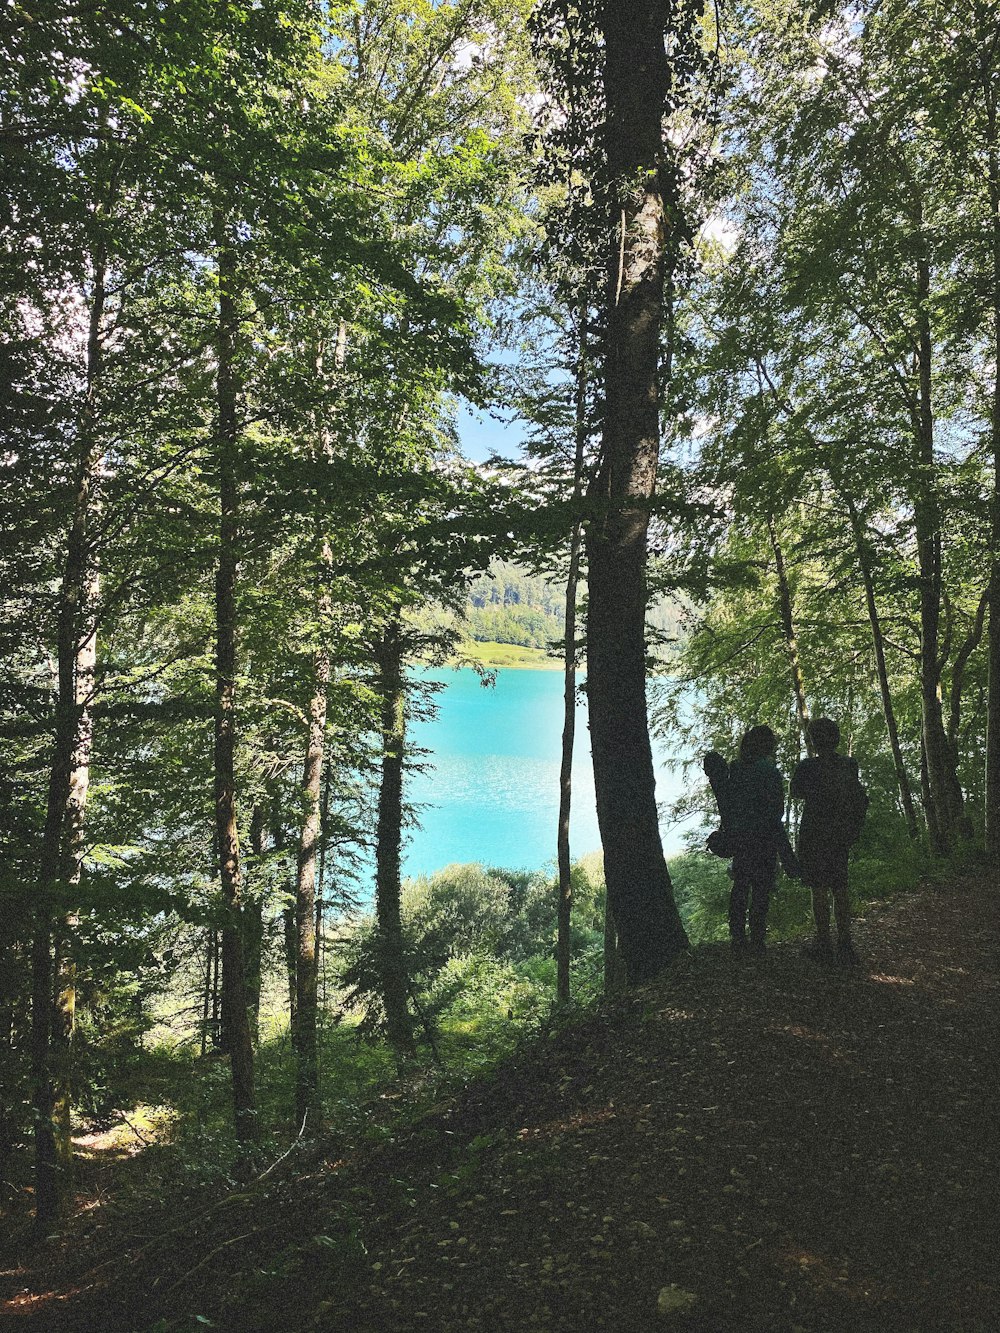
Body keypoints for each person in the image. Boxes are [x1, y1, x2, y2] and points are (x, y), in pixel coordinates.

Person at [708, 724, 797, 957]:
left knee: (740, 884)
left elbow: (728, 802)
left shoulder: (735, 768)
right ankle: (757, 939)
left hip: (740, 837)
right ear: (767, 746)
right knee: (760, 889)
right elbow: (776, 810)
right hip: (765, 837)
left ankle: (737, 938)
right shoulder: (769, 771)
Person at [791, 717, 869, 965]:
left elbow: (795, 792)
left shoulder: (807, 767)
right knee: (840, 886)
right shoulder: (849, 764)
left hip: (815, 832)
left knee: (819, 888)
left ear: (813, 741)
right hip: (840, 833)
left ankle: (823, 943)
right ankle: (845, 944)